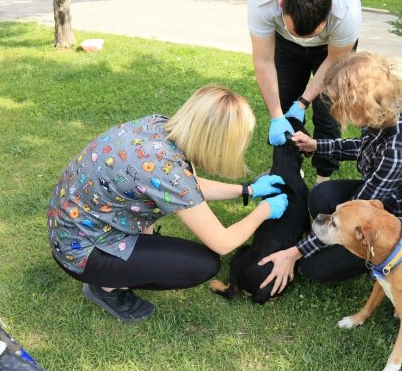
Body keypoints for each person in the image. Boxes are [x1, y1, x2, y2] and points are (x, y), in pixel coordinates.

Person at [47, 85, 288, 322]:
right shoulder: (168, 172)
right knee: (204, 264)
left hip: (70, 227)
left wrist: (248, 190)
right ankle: (106, 288)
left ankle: (118, 267)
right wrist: (265, 209)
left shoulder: (158, 126)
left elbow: (189, 186)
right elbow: (223, 242)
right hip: (82, 252)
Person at [258, 52, 402, 293]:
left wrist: (293, 253)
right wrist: (317, 145)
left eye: (341, 104)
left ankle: (387, 260)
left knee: (312, 267)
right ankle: (337, 242)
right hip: (382, 200)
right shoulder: (388, 111)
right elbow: (364, 147)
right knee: (320, 197)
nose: (337, 111)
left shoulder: (399, 150)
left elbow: (360, 211)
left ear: (360, 103)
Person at [248, 0, 362, 184]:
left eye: (310, 35)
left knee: (328, 112)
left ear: (329, 11)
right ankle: (288, 171)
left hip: (330, 50)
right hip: (285, 45)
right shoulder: (263, 0)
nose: (305, 41)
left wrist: (304, 102)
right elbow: (263, 61)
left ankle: (323, 178)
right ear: (281, 5)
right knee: (284, 100)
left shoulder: (346, 14)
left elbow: (333, 62)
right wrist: (276, 117)